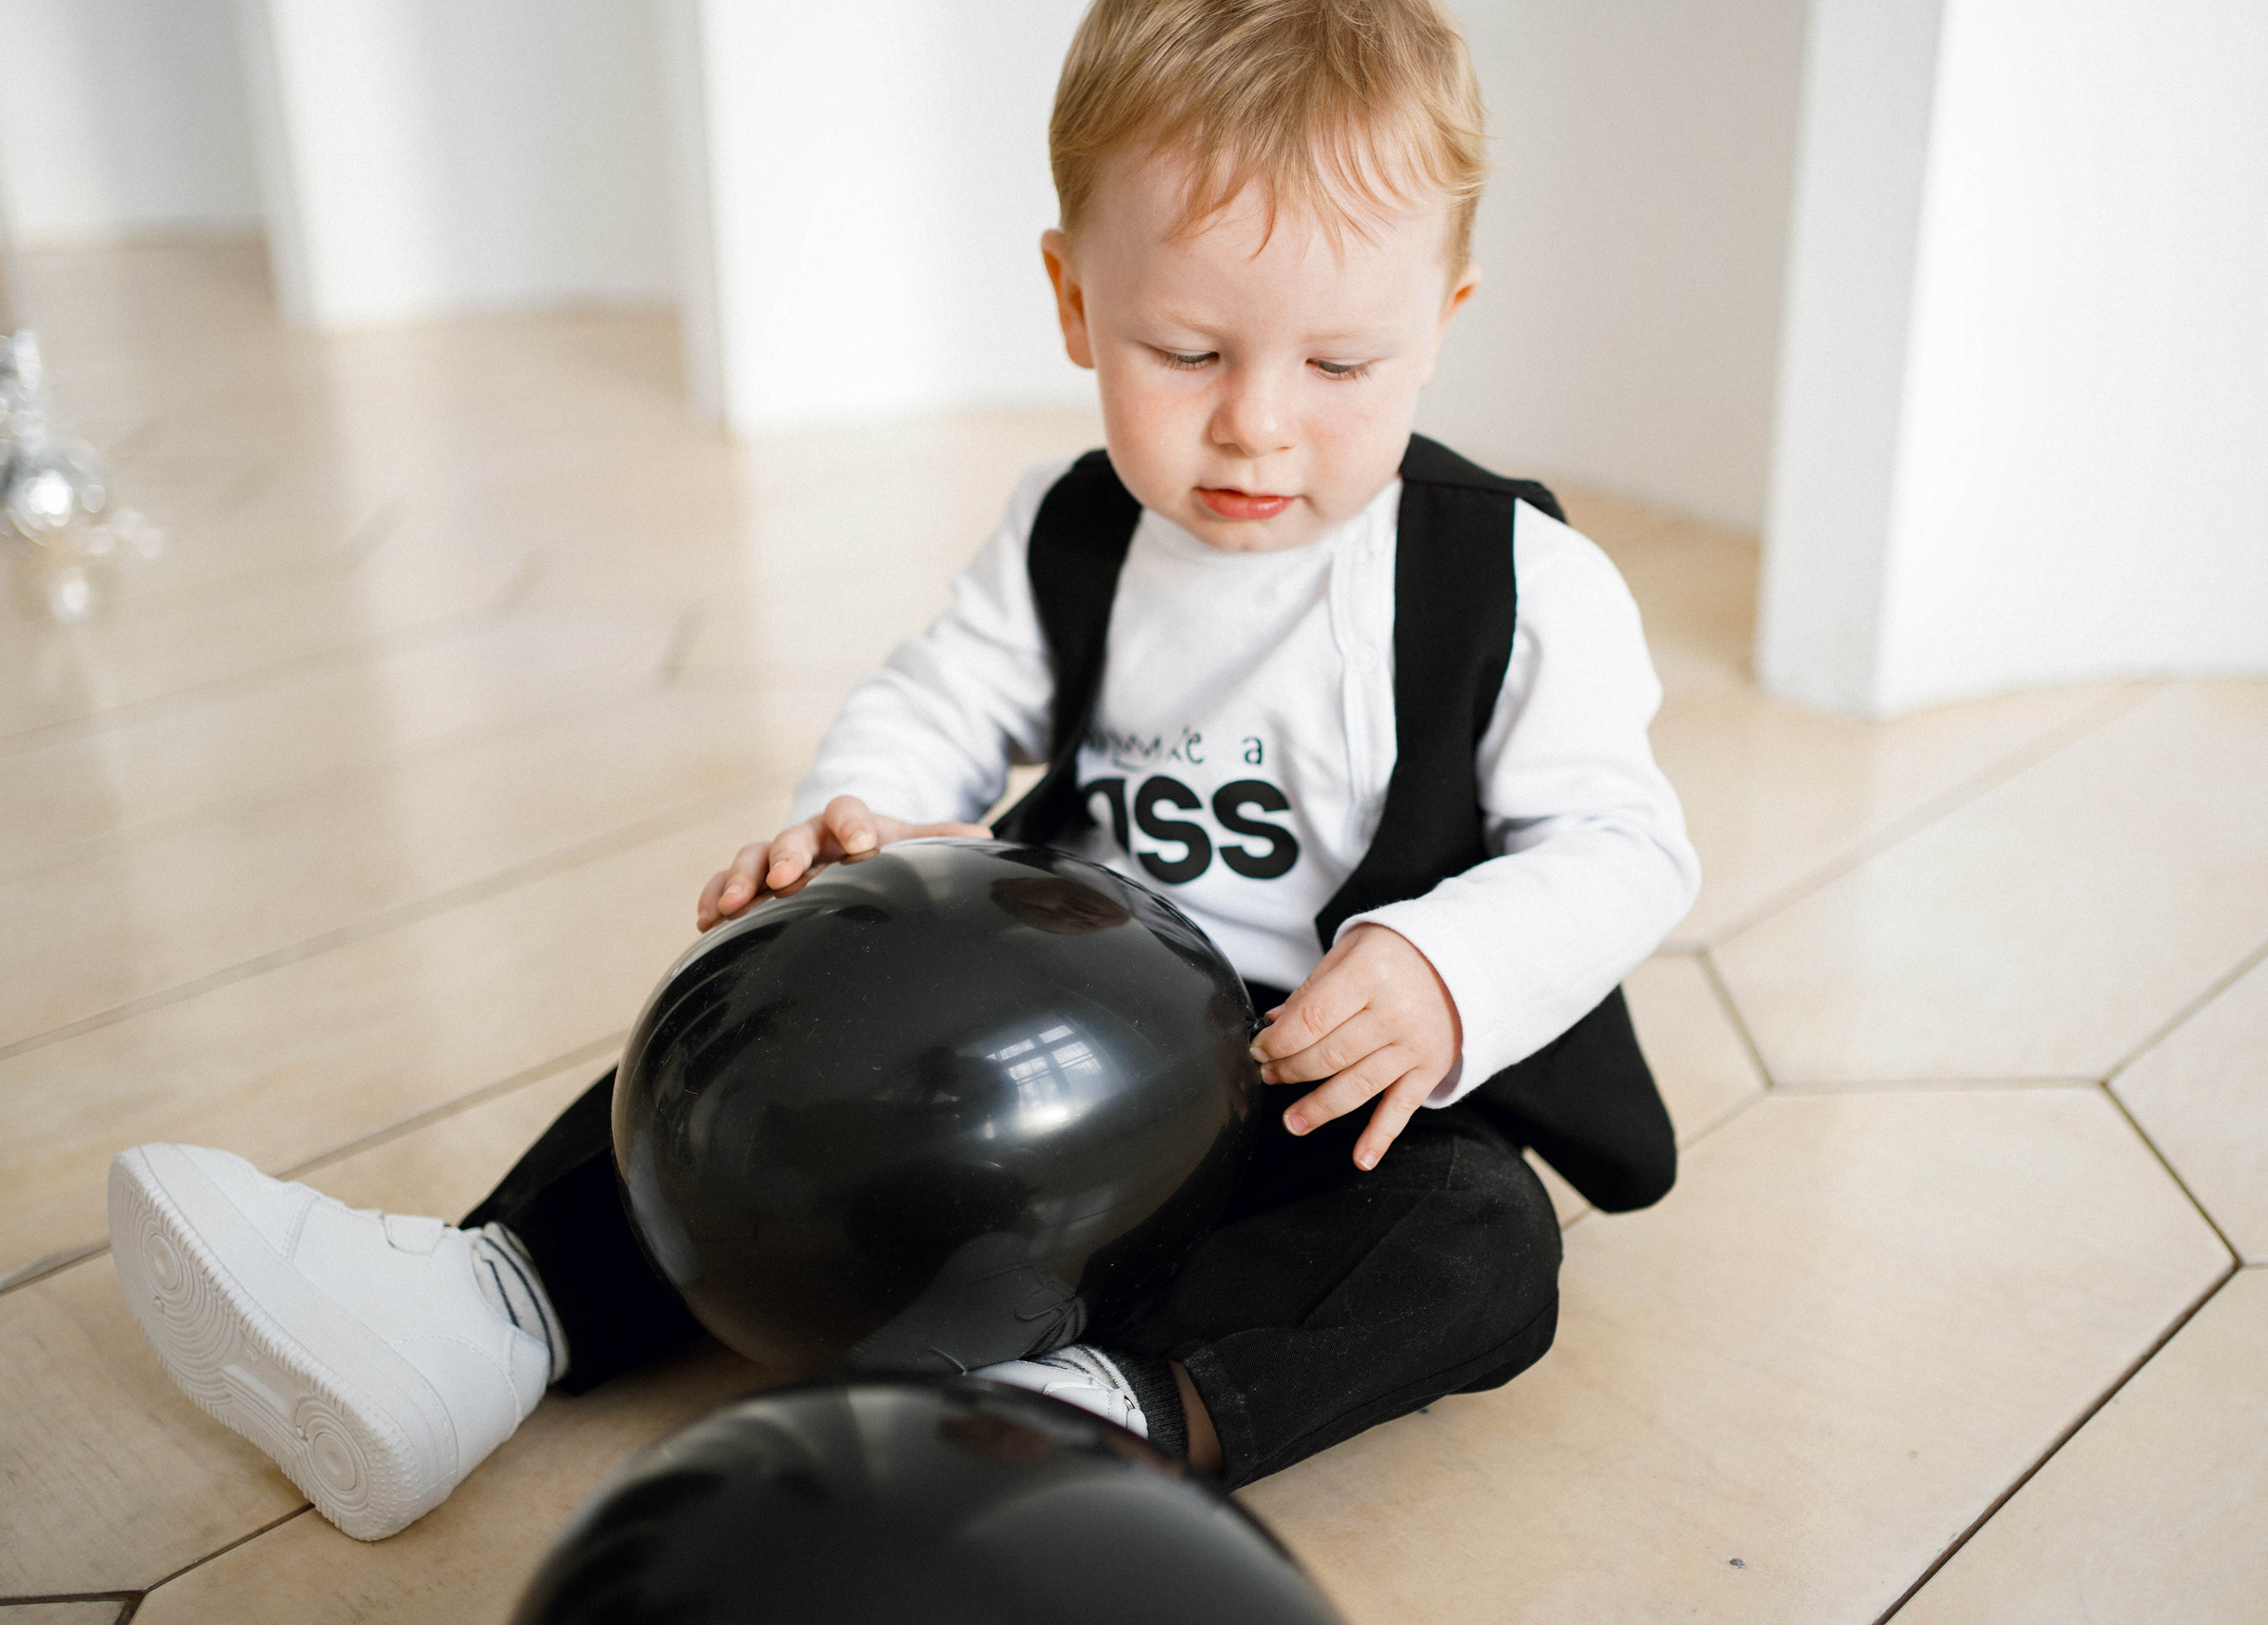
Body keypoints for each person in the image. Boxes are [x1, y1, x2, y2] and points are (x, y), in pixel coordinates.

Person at [107, 0, 1699, 1543]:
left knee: (1477, 1246)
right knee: (767, 1037)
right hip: (1041, 1059)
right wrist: (859, 826)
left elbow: (1625, 846)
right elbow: (939, 701)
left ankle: (1077, 1422)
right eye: (1187, 350)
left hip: (1320, 1102)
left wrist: (1449, 970)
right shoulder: (1070, 530)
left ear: (1444, 326)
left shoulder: (1513, 580)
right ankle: (477, 1314)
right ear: (1076, 303)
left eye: (1341, 367)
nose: (1256, 429)